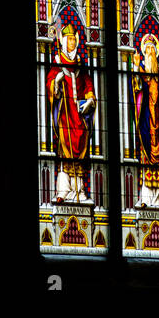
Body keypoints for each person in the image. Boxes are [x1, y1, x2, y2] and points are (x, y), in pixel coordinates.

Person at [46, 21, 97, 204]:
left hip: (79, 117)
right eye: (69, 40)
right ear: (63, 41)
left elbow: (89, 86)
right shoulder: (58, 65)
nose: (72, 43)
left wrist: (90, 100)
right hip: (64, 117)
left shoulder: (81, 68)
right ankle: (63, 190)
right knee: (64, 152)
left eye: (74, 40)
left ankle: (79, 191)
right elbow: (50, 87)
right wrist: (57, 83)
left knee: (80, 152)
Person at [130, 34, 159, 208]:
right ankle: (146, 198)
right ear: (143, 52)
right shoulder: (141, 73)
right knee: (146, 156)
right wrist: (135, 67)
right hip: (145, 121)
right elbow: (134, 89)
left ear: (157, 52)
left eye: (152, 49)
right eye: (147, 49)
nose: (150, 52)